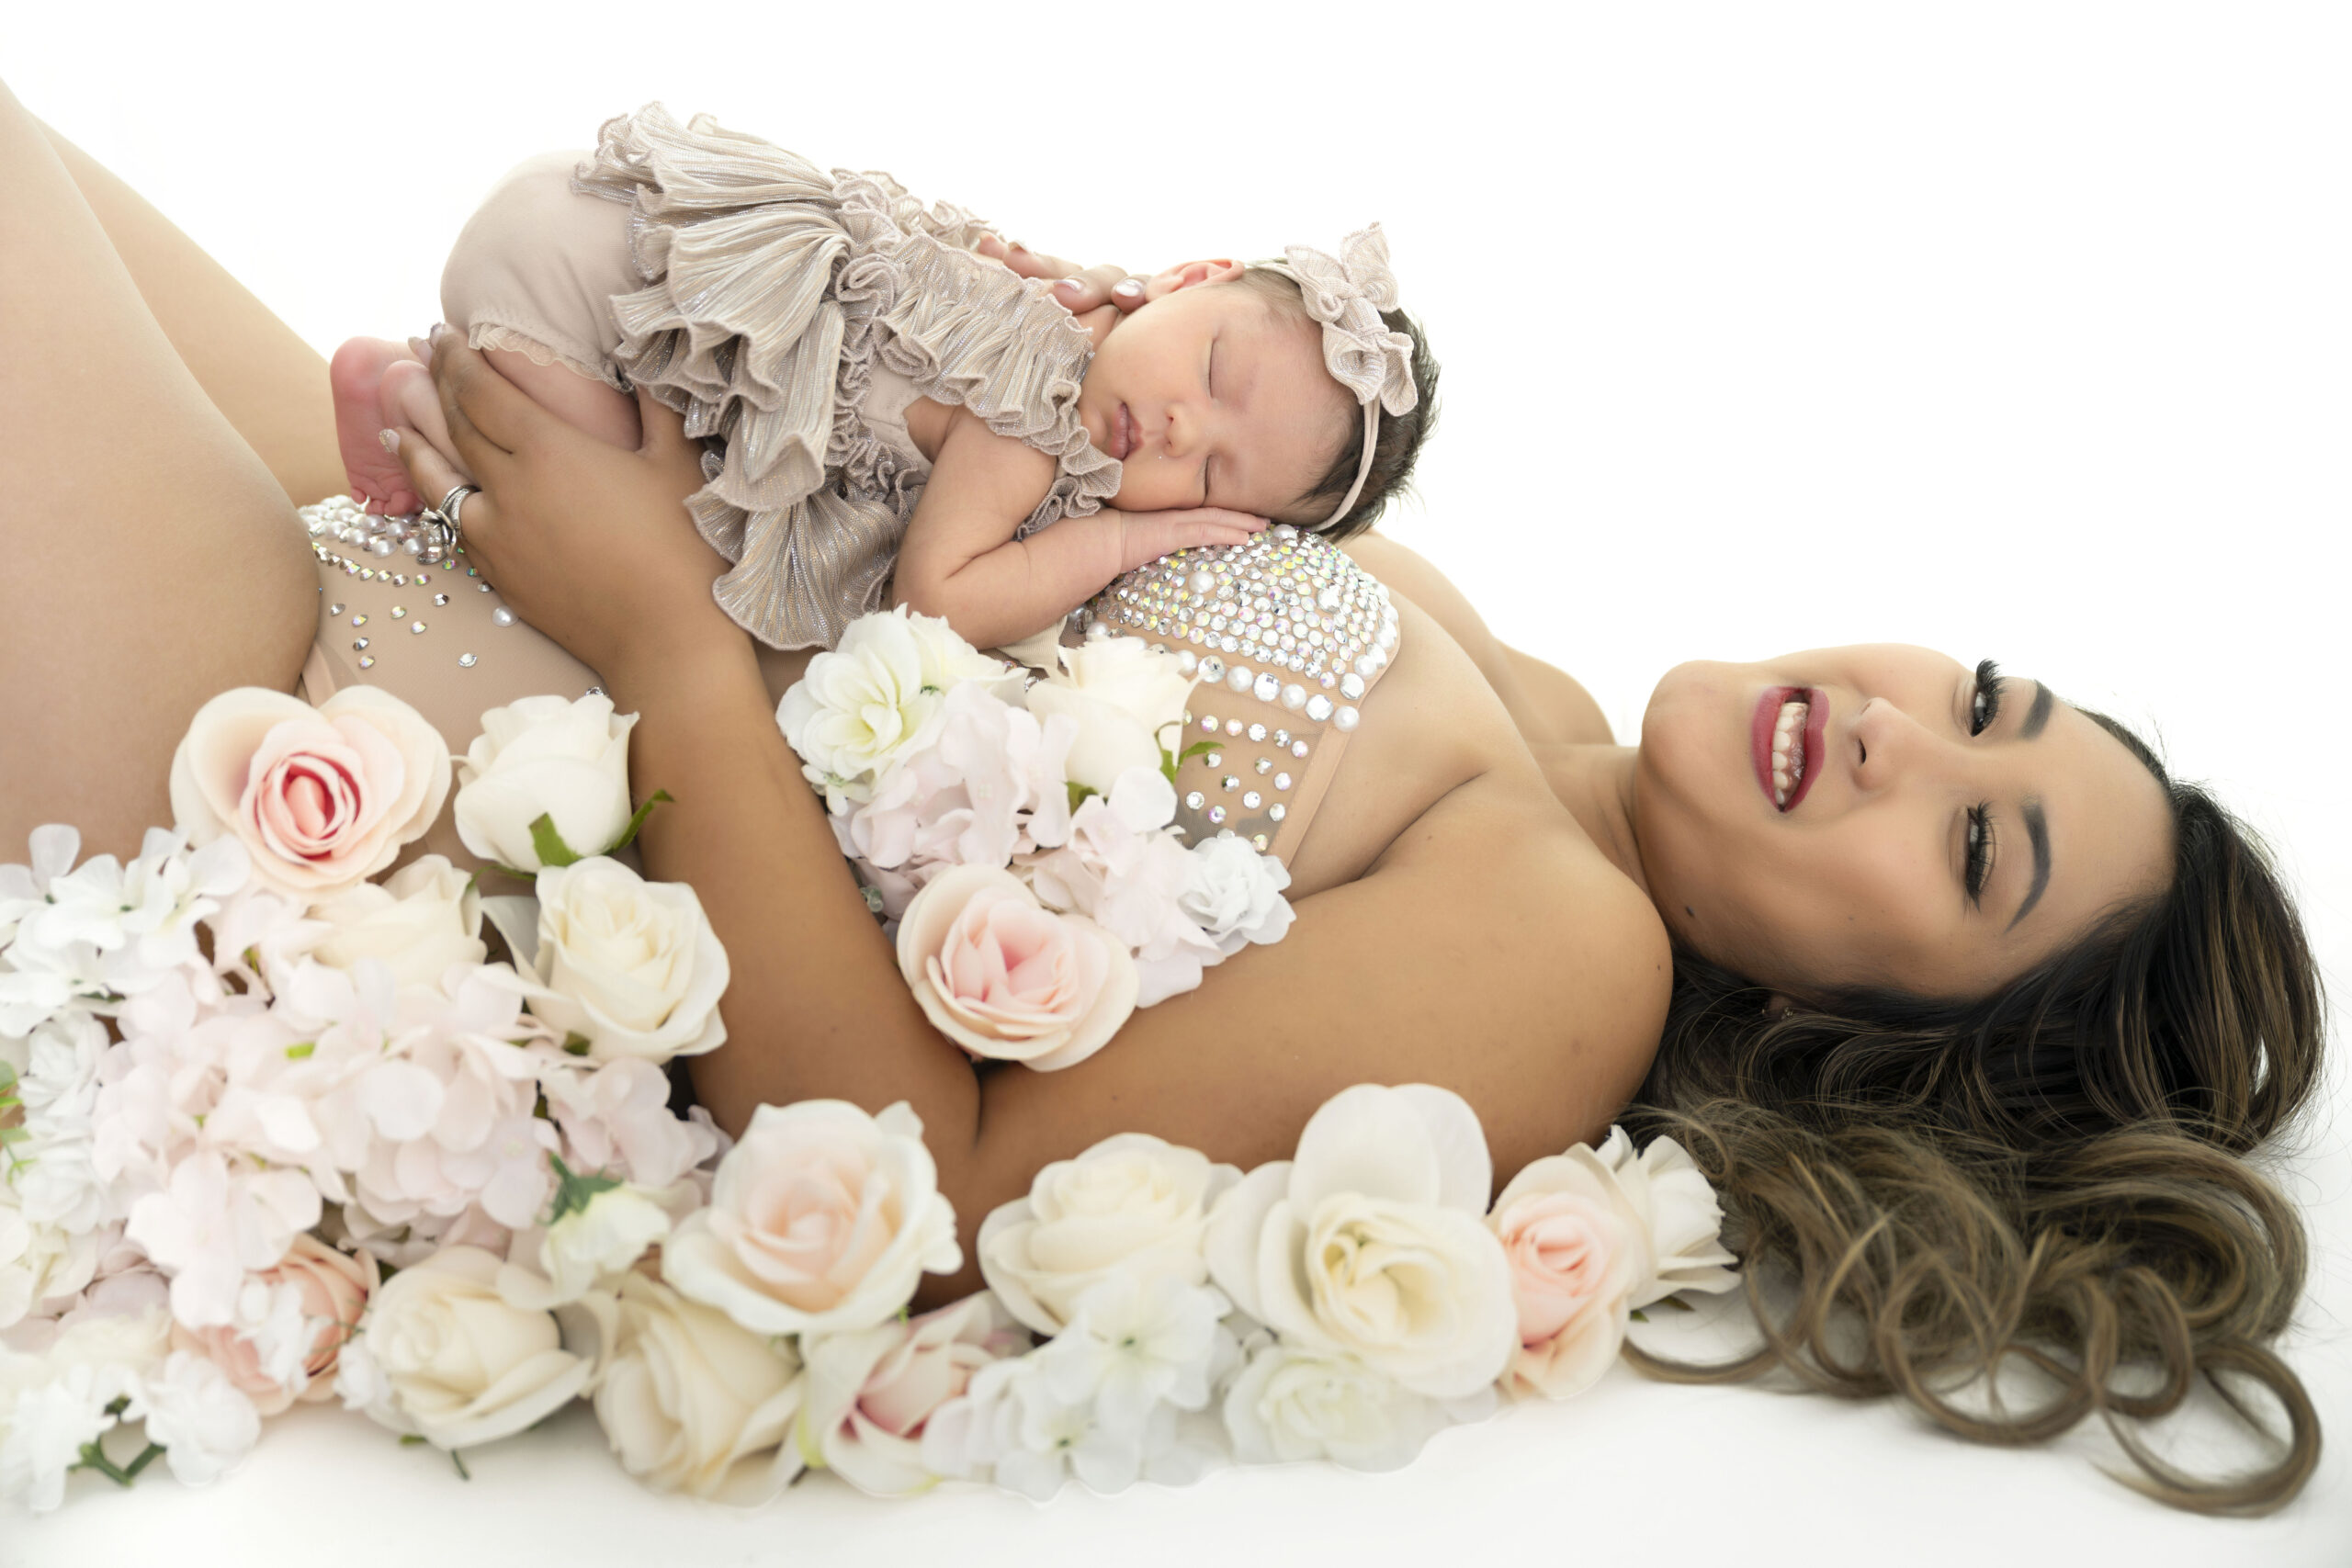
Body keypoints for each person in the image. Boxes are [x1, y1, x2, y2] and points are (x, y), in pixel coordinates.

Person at [0, 84, 2322, 1511]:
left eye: (1971, 842)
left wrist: (659, 641)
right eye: (1990, 696)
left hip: (282, 775)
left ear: (1882, 1028)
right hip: (372, 566)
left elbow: (920, 1173)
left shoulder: (1561, 949)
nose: (1908, 730)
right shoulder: (1490, 655)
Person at [331, 104, 1437, 656]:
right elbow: (936, 595)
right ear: (1189, 277)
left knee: (633, 454)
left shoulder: (1084, 305)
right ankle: (418, 405)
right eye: (1210, 373)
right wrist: (1118, 541)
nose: (1177, 429)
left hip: (613, 217)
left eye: (1214, 475)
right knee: (613, 511)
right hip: (594, 287)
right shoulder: (1039, 430)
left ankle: (426, 364)